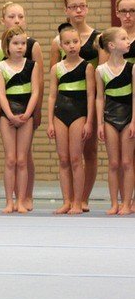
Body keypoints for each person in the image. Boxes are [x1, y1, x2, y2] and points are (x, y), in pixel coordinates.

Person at [50, 0, 102, 212]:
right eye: (73, 7)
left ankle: (83, 198)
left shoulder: (98, 38)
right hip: (65, 104)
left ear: (87, 8)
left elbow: (102, 73)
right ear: (66, 10)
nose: (78, 10)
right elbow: (55, 75)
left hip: (88, 102)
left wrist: (96, 112)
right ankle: (69, 199)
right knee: (68, 156)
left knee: (88, 152)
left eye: (82, 6)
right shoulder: (57, 41)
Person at [0, 2, 44, 211]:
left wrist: (31, 113)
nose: (20, 47)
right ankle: (9, 201)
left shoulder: (32, 61)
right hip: (8, 113)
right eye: (15, 43)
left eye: (23, 43)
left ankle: (22, 199)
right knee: (10, 159)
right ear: (7, 46)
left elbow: (37, 88)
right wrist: (4, 113)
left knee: (23, 159)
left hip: (26, 111)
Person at [46, 23, 94, 215]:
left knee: (75, 158)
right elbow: (51, 96)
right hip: (60, 113)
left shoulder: (87, 67)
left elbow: (91, 95)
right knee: (63, 159)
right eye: (67, 43)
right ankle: (66, 201)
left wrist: (89, 121)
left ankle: (77, 201)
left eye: (75, 41)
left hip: (78, 113)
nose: (72, 45)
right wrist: (50, 121)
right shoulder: (56, 68)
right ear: (61, 46)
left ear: (80, 42)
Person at [94, 27, 135, 215]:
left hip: (128, 117)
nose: (128, 42)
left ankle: (126, 202)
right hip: (110, 117)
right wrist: (100, 123)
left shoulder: (132, 68)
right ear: (111, 45)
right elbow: (99, 98)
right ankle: (114, 203)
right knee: (113, 163)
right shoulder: (100, 70)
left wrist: (133, 121)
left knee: (127, 162)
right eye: (124, 39)